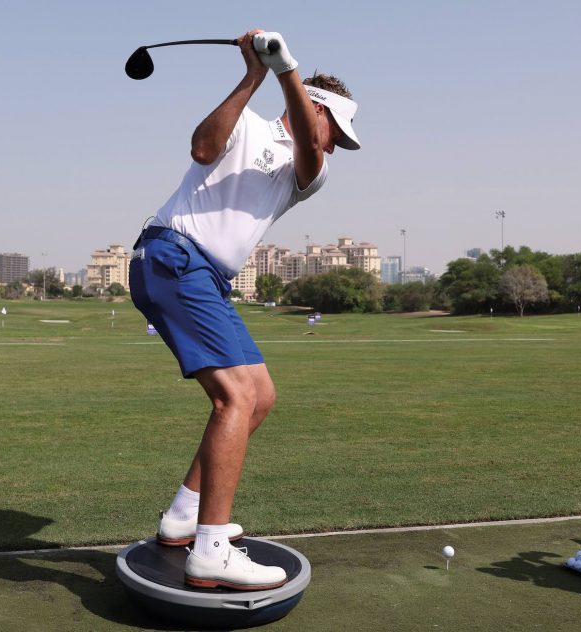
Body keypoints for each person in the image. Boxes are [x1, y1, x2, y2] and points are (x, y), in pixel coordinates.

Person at [129, 29, 361, 591]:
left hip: (203, 275)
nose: (334, 147)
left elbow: (308, 145)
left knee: (259, 395)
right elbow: (203, 149)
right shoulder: (250, 123)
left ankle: (186, 513)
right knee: (234, 396)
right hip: (174, 257)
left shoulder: (309, 167)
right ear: (319, 108)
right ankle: (211, 549)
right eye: (338, 133)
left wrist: (284, 68)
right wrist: (257, 74)